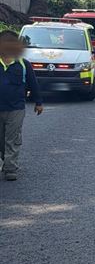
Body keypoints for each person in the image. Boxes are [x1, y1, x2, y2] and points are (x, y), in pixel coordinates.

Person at [0, 30, 43, 181]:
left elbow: (33, 84)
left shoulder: (23, 65)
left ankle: (10, 168)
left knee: (12, 138)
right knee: (1, 139)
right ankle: (6, 160)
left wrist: (38, 102)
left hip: (16, 108)